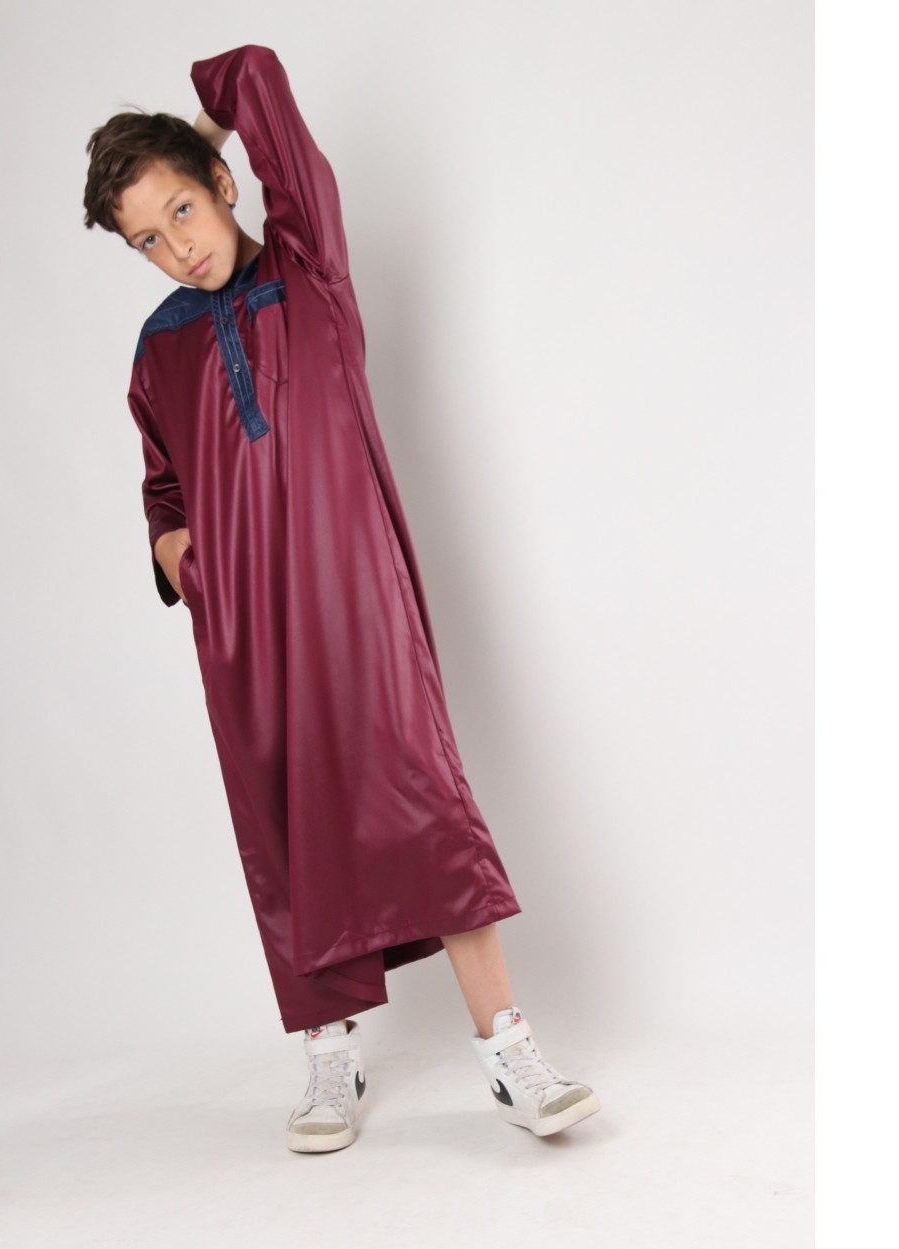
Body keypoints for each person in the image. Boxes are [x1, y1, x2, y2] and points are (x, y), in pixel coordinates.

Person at [83, 43, 600, 1153]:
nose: (176, 246)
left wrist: (201, 138)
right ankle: (329, 1053)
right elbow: (162, 479)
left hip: (354, 593)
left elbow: (256, 77)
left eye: (183, 210)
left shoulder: (308, 269)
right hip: (244, 627)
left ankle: (507, 1047)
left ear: (224, 184)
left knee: (424, 798)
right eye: (147, 240)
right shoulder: (158, 349)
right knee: (280, 822)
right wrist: (177, 553)